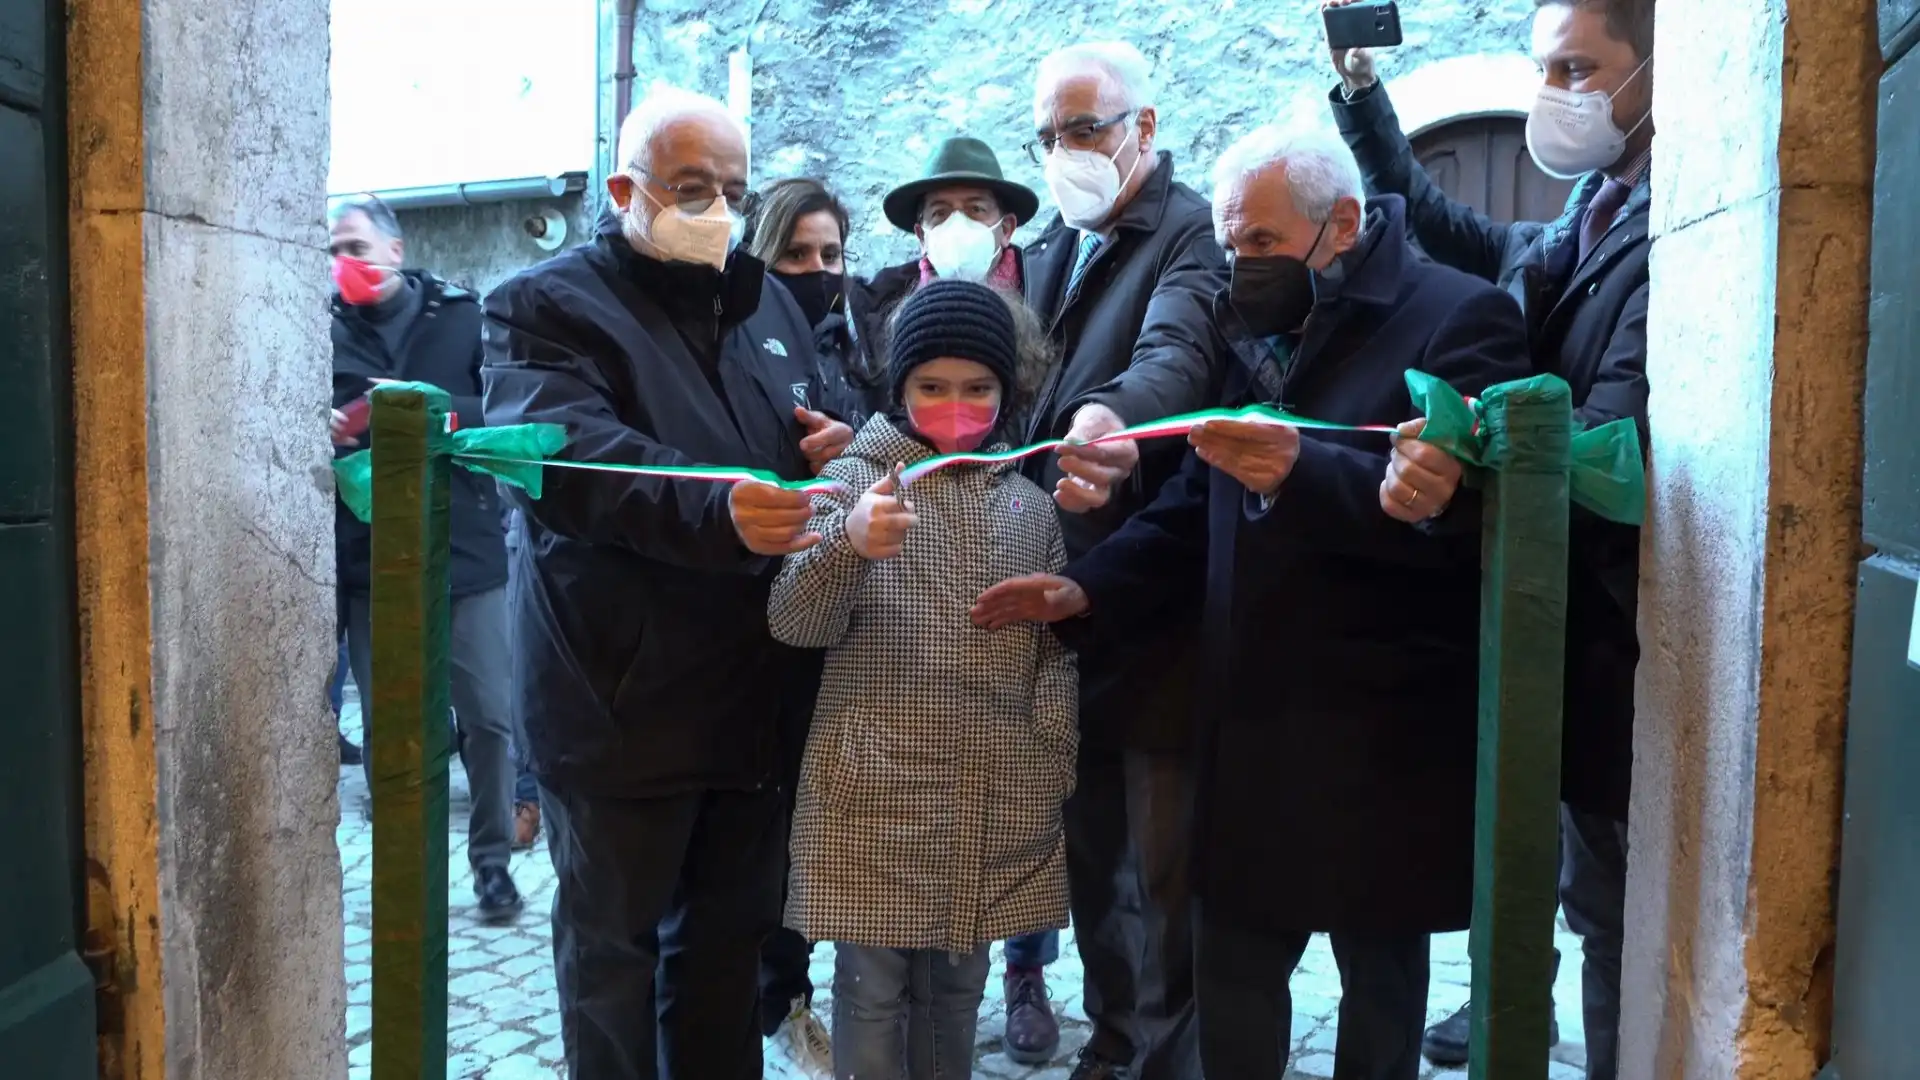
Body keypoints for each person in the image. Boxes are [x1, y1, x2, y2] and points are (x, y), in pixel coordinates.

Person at [974, 122, 1533, 1080]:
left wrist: (1304, 469)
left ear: (1343, 224)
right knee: (1231, 983)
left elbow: (1465, 512)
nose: (1243, 267)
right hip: (1251, 719)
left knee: (1380, 999)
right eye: (1233, 246)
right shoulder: (1258, 331)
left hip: (1381, 728)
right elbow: (1202, 498)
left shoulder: (1462, 316)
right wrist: (1089, 586)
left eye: (1264, 244)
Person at [480, 86, 854, 1080]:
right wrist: (718, 507)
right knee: (614, 955)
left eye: (734, 189)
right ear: (623, 188)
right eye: (692, 188)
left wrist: (839, 444)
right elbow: (568, 459)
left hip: (756, 693)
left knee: (726, 951)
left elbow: (808, 413)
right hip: (620, 700)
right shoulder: (543, 305)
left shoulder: (765, 297)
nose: (719, 211)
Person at [1326, 1, 1653, 1074]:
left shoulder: (1669, 226)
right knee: (1547, 859)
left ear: (1651, 72)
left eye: (1579, 66)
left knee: (1608, 894)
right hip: (1538, 610)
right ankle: (1517, 999)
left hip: (1611, 619)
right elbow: (1430, 214)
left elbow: (1603, 429)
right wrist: (1365, 93)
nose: (1554, 92)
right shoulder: (1581, 218)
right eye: (1542, 66)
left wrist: (1473, 443)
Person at [769, 279, 1078, 1080]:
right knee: (872, 991)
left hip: (992, 794)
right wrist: (845, 541)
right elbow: (795, 620)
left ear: (1007, 392)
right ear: (900, 389)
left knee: (957, 991)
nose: (954, 404)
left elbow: (1052, 662)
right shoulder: (853, 482)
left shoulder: (1028, 507)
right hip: (876, 795)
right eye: (932, 387)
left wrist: (1050, 756)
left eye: (977, 388)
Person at [1015, 40, 1230, 1080]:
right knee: (1091, 857)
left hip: (1149, 604)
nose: (1065, 152)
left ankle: (1160, 1056)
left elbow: (1175, 355)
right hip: (1063, 607)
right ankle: (1112, 1041)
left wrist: (1117, 422)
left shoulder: (1189, 232)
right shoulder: (1061, 240)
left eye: (1084, 129)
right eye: (1048, 135)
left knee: (1158, 866)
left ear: (1144, 128)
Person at [326, 192, 523, 922]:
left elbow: (504, 408)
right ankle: (407, 868)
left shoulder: (461, 315)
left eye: (355, 246)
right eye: (335, 251)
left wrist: (424, 410)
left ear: (395, 250)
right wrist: (334, 426)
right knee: (391, 727)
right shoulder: (320, 329)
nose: (345, 262)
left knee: (490, 718)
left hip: (463, 549)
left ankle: (493, 862)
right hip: (371, 559)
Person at [858, 136, 1039, 361]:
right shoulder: (877, 309)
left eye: (976, 209)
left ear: (1006, 229)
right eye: (940, 213)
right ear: (922, 237)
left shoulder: (1045, 292)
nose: (958, 224)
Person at [751, 178, 888, 431]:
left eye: (830, 255)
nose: (818, 268)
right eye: (796, 254)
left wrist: (851, 452)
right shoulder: (739, 351)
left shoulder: (860, 356)